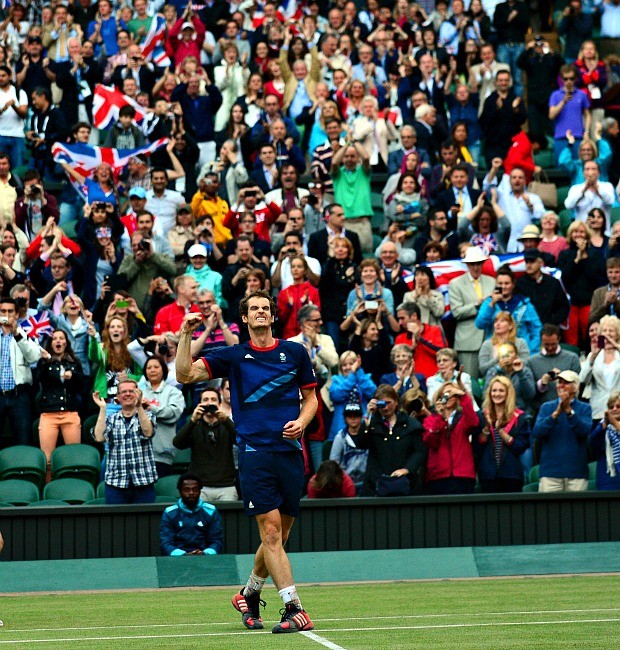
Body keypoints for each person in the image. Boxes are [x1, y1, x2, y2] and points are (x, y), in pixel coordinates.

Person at [176, 291, 317, 634]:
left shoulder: (295, 352)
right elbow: (184, 375)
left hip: (289, 454)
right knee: (269, 533)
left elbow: (311, 398)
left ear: (271, 316)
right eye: (253, 308)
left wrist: (302, 421)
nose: (260, 313)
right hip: (254, 453)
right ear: (244, 318)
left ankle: (249, 594)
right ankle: (294, 608)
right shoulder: (234, 356)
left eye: (265, 309)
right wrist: (184, 334)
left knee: (279, 539)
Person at [93, 378, 157, 504]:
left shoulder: (148, 415)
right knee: (116, 523)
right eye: (123, 392)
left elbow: (148, 432)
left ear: (138, 393)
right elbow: (99, 437)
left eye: (131, 391)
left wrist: (139, 406)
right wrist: (102, 409)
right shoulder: (111, 419)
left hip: (144, 482)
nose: (127, 394)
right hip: (116, 484)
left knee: (144, 523)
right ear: (118, 397)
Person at [355, 384, 426, 496]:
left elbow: (420, 451)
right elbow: (360, 444)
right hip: (376, 486)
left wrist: (406, 469)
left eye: (389, 403)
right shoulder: (372, 425)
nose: (386, 408)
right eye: (382, 404)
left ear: (396, 402)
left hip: (405, 486)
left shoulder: (410, 424)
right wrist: (368, 417)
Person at [531, 370, 592, 492]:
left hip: (577, 473)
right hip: (550, 473)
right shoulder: (546, 407)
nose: (561, 385)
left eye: (566, 382)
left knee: (577, 510)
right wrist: (555, 415)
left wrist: (569, 412)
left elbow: (584, 431)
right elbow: (537, 432)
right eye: (559, 382)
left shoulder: (585, 408)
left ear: (576, 387)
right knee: (548, 511)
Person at [174, 388, 238, 502]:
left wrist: (226, 420)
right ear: (200, 404)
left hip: (226, 485)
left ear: (219, 403)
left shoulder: (226, 424)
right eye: (205, 400)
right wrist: (193, 420)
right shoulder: (194, 424)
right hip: (200, 487)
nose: (209, 403)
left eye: (213, 399)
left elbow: (240, 440)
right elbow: (178, 443)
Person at [37, 330, 84, 480]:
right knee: (48, 459)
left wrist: (73, 376)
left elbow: (82, 385)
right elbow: (39, 379)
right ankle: (48, 489)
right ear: (51, 343)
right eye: (55, 338)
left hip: (70, 413)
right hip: (49, 414)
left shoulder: (73, 362)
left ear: (66, 342)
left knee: (74, 457)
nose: (58, 341)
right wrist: (45, 362)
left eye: (61, 338)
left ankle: (75, 488)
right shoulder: (44, 362)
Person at [422, 379, 478, 495]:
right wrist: (440, 418)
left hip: (463, 474)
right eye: (444, 395)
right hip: (438, 476)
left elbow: (474, 423)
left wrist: (463, 396)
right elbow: (431, 442)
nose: (447, 398)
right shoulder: (430, 420)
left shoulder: (463, 418)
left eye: (451, 394)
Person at [476, 376, 530, 493]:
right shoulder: (482, 416)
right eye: (494, 390)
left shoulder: (519, 417)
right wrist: (486, 428)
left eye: (501, 390)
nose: (497, 394)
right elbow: (477, 447)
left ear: (508, 393)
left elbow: (521, 447)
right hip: (488, 475)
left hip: (511, 475)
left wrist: (502, 432)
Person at [0, 297, 42, 446]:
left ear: (17, 314)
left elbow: (34, 357)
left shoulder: (25, 333)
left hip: (19, 396)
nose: (6, 315)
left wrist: (17, 334)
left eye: (10, 311)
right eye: (3, 311)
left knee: (23, 441)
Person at [475, 265, 542, 355]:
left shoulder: (524, 304)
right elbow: (479, 324)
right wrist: (491, 304)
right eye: (500, 283)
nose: (503, 286)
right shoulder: (489, 302)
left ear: (513, 284)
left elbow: (537, 330)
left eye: (507, 283)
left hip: (520, 353)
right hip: (495, 353)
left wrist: (530, 352)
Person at [141, 357, 185, 478]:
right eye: (149, 368)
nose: (152, 370)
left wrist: (150, 407)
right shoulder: (139, 393)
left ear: (164, 370)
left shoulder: (174, 392)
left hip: (162, 454)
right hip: (140, 453)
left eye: (156, 367)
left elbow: (173, 413)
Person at [159, 472, 224, 556]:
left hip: (205, 558)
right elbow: (166, 543)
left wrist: (205, 553)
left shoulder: (211, 511)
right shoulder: (169, 513)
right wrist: (184, 555)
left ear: (200, 491)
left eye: (195, 489)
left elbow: (216, 541)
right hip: (177, 560)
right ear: (180, 492)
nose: (191, 493)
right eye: (186, 490)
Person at [527, 324, 582, 412]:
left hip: (568, 409)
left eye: (553, 344)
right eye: (546, 344)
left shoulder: (572, 358)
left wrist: (563, 378)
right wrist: (541, 383)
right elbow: (528, 393)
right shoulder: (531, 361)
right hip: (542, 412)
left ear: (559, 339)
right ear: (541, 341)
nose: (550, 347)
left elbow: (579, 386)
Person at [515, 249, 571, 328]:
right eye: (527, 262)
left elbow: (564, 307)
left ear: (541, 263)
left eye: (532, 262)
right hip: (527, 330)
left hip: (549, 329)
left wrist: (552, 322)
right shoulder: (519, 283)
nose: (529, 265)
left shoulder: (552, 283)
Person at [579, 315, 620, 420]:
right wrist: (592, 357)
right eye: (604, 330)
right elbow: (582, 379)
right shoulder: (594, 355)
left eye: (611, 331)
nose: (607, 334)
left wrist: (616, 346)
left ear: (617, 334)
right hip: (599, 409)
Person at [329, 401, 369, 493]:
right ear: (345, 418)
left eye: (356, 415)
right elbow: (334, 463)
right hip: (345, 483)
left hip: (367, 482)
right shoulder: (340, 437)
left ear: (361, 417)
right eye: (349, 416)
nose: (353, 418)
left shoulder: (368, 435)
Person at [588, 391, 620, 491]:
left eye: (618, 406)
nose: (614, 409)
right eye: (611, 407)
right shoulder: (603, 426)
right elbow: (592, 444)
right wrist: (604, 424)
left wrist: (615, 423)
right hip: (607, 479)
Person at [589, 257, 620, 324]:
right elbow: (591, 319)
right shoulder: (598, 293)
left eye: (617, 272)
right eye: (610, 272)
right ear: (606, 273)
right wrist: (605, 305)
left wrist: (616, 303)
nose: (613, 275)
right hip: (604, 331)